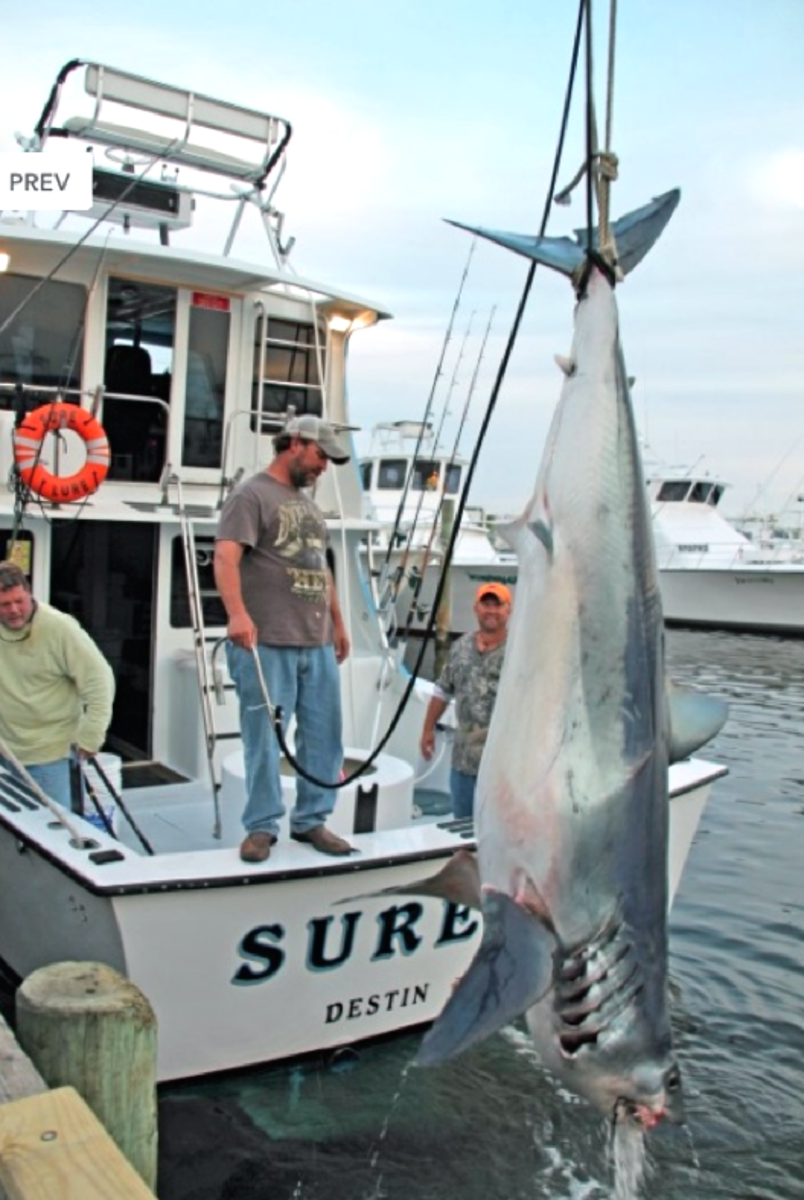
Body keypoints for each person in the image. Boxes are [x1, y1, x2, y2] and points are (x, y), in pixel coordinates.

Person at [214, 414, 355, 863]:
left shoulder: (309, 506)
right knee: (264, 738)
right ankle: (261, 827)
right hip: (267, 641)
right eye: (320, 456)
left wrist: (338, 622)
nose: (323, 467)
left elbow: (320, 566)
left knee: (325, 736)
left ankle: (312, 819)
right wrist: (237, 614)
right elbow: (225, 556)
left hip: (315, 642)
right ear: (294, 443)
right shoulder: (250, 495)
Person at [0, 560, 115, 809]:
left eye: (19, 601)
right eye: (4, 605)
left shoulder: (60, 628)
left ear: (30, 594)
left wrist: (91, 735)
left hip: (49, 755)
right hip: (5, 751)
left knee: (52, 829)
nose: (14, 610)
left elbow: (100, 681)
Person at [420, 582, 511, 819]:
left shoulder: (517, 651)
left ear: (508, 610)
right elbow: (442, 690)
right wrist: (428, 729)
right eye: (485, 604)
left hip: (502, 766)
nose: (491, 611)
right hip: (462, 761)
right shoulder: (460, 647)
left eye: (497, 605)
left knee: (496, 827)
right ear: (476, 608)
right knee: (462, 827)